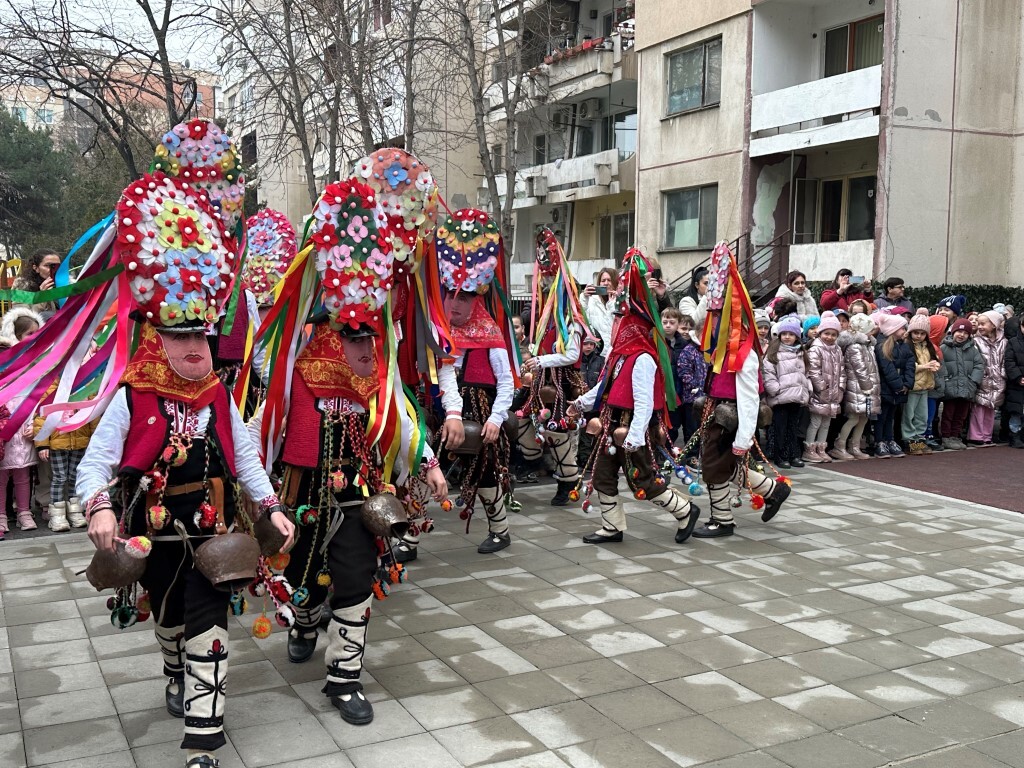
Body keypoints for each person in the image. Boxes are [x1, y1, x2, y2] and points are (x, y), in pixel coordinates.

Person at [75, 163, 295, 768]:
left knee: (210, 629)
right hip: (150, 534)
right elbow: (94, 464)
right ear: (156, 337)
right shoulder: (133, 395)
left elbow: (247, 459)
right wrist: (98, 508)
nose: (195, 348)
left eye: (201, 336)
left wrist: (272, 508)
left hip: (212, 530)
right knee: (170, 622)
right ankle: (173, 664)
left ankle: (203, 743)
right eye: (181, 338)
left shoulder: (221, 396)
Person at [256, 179, 445, 726]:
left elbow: (400, 422)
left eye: (370, 336)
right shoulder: (296, 368)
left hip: (358, 495)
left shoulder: (376, 374)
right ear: (330, 329)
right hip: (302, 495)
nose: (366, 347)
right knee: (304, 577)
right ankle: (304, 622)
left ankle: (344, 678)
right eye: (354, 337)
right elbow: (262, 422)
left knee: (357, 580)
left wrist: (428, 463)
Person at [570, 248, 698, 545]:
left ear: (631, 330)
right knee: (602, 476)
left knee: (642, 479)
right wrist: (579, 404)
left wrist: (636, 435)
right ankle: (612, 527)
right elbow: (603, 388)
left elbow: (643, 402)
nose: (614, 326)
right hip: (610, 421)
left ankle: (685, 510)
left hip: (632, 427)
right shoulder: (619, 356)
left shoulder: (642, 358)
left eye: (619, 323)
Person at [692, 242, 791, 539]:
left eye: (719, 315)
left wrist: (744, 438)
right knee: (720, 464)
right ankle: (774, 490)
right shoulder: (722, 347)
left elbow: (749, 397)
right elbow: (697, 325)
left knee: (714, 464)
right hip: (717, 413)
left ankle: (722, 521)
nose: (714, 321)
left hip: (730, 417)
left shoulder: (743, 351)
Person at [436, 209, 517, 554]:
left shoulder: (491, 334)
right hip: (450, 411)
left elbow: (507, 382)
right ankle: (410, 538)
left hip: (483, 415)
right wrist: (450, 411)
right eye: (450, 295)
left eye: (463, 297)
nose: (454, 304)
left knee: (485, 474)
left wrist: (496, 419)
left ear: (477, 299)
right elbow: (443, 374)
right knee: (428, 467)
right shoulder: (442, 334)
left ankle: (500, 530)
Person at [519, 229, 587, 506]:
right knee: (522, 417)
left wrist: (542, 360)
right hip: (543, 380)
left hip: (562, 381)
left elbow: (571, 355)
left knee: (559, 432)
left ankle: (568, 482)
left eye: (549, 282)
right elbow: (542, 347)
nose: (545, 287)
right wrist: (533, 356)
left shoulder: (572, 318)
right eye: (543, 282)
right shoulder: (546, 319)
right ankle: (531, 459)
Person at [0, 308, 43, 532]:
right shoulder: (4, 359)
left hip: (24, 422)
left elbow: (36, 394)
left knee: (23, 473)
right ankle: (2, 515)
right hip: (5, 423)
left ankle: (24, 512)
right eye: (29, 333)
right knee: (2, 474)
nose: (34, 337)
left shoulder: (36, 360)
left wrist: (32, 423)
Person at [762, 316, 810, 469]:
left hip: (796, 397)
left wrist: (806, 390)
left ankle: (794, 454)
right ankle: (780, 455)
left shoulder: (801, 353)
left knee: (793, 428)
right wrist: (775, 390)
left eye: (791, 334)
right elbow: (768, 374)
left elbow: (805, 374)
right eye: (784, 334)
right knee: (780, 428)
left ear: (797, 336)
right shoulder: (774, 353)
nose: (787, 337)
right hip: (781, 397)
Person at [834, 313, 880, 460]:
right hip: (859, 388)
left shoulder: (867, 345)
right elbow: (859, 369)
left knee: (864, 418)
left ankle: (855, 446)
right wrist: (868, 386)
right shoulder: (854, 347)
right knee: (854, 417)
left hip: (867, 388)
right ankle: (839, 445)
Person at [802, 312, 845, 463]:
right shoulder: (816, 349)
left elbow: (842, 371)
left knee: (826, 422)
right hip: (820, 393)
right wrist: (822, 387)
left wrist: (840, 388)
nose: (830, 337)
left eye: (834, 334)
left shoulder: (837, 350)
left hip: (833, 393)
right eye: (826, 333)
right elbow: (813, 370)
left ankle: (821, 448)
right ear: (820, 333)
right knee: (815, 422)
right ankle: (809, 449)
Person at [939, 318, 983, 450]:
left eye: (965, 332)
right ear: (953, 332)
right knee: (948, 413)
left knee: (961, 414)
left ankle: (956, 435)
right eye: (959, 331)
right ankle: (946, 436)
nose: (961, 335)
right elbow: (941, 365)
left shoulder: (973, 349)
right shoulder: (944, 348)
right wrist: (946, 379)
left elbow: (979, 365)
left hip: (967, 387)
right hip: (950, 386)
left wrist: (973, 380)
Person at [874, 312, 914, 458]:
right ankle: (879, 441)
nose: (905, 331)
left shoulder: (904, 346)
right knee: (882, 416)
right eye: (902, 328)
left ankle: (890, 440)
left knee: (891, 416)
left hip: (899, 389)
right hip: (886, 388)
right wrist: (898, 385)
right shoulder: (882, 347)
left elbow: (910, 365)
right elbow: (887, 369)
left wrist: (907, 384)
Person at [902, 315, 942, 455]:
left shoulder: (928, 346)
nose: (919, 336)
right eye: (916, 332)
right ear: (910, 332)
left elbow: (934, 359)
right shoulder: (906, 345)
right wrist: (925, 366)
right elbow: (907, 366)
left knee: (922, 417)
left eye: (922, 333)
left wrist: (935, 364)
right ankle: (909, 441)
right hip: (913, 387)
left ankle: (919, 441)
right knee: (909, 416)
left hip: (925, 386)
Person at [968, 310, 1007, 444]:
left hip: (997, 380)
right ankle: (976, 436)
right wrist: (979, 376)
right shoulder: (976, 341)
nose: (979, 326)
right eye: (979, 324)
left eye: (983, 324)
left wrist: (1002, 375)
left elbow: (1004, 361)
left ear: (994, 325)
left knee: (991, 409)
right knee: (978, 409)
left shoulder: (1004, 342)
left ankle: (987, 435)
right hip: (982, 380)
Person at [674, 315, 707, 454]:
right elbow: (684, 372)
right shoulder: (689, 351)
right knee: (692, 428)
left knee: (704, 427)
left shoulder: (709, 351)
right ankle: (691, 454)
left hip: (707, 397)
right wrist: (696, 385)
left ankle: (703, 453)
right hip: (692, 397)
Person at [11, 248, 61, 318]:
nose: (54, 270)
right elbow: (21, 317)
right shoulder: (22, 284)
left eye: (57, 266)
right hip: (37, 326)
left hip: (63, 325)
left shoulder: (64, 283)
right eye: (47, 265)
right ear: (36, 268)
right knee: (47, 315)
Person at [661, 308, 687, 441]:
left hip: (679, 391)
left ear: (678, 324)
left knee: (678, 424)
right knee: (665, 425)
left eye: (672, 322)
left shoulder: (684, 344)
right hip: (663, 392)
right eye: (665, 322)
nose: (668, 325)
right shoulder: (656, 342)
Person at [925, 315, 949, 450]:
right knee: (923, 417)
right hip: (928, 388)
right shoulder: (929, 348)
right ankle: (917, 443)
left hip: (935, 390)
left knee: (930, 416)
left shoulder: (937, 347)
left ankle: (928, 437)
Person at [583, 267, 618, 357]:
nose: (606, 283)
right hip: (597, 355)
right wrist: (584, 298)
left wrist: (612, 304)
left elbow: (617, 325)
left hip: (615, 353)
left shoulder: (620, 301)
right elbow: (582, 319)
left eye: (609, 280)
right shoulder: (591, 300)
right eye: (603, 280)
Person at [678, 266, 709, 341]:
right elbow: (694, 323)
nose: (710, 287)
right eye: (706, 283)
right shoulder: (686, 301)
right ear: (696, 285)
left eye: (712, 283)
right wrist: (706, 296)